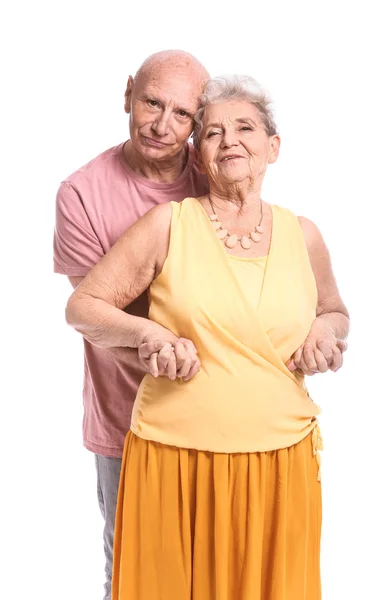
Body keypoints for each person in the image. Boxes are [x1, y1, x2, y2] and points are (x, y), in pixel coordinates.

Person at [65, 75, 349, 600]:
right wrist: (146, 331)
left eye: (245, 128)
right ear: (199, 154)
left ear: (273, 147)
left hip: (280, 459)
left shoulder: (303, 234)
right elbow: (84, 305)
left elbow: (334, 311)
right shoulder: (168, 224)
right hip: (175, 458)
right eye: (213, 133)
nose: (230, 141)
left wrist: (325, 331)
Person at [53, 50, 209, 600]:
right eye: (152, 102)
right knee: (133, 574)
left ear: (198, 121)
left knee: (211, 572)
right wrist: (159, 349)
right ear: (128, 95)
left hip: (215, 419)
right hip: (127, 421)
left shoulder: (214, 177)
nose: (163, 125)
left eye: (183, 113)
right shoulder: (82, 193)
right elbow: (94, 317)